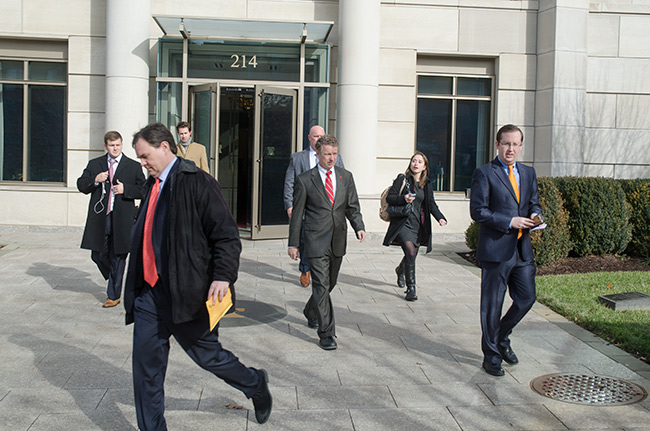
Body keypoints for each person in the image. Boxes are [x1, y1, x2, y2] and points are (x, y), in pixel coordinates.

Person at [124, 123, 271, 430]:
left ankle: (255, 382)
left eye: (145, 156)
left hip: (186, 294)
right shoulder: (151, 185)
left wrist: (222, 277)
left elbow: (227, 236)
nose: (142, 162)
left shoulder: (198, 182)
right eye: (139, 158)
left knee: (209, 357)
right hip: (149, 296)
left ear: (165, 147)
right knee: (146, 371)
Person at [470, 124, 542, 377]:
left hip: (522, 250)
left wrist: (536, 214)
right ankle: (491, 356)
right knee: (492, 305)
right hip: (496, 250)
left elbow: (533, 201)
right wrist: (510, 221)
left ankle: (501, 337)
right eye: (506, 143)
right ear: (497, 144)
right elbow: (478, 211)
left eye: (515, 144)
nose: (510, 149)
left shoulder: (528, 173)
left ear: (521, 146)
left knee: (526, 299)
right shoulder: (485, 173)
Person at [287, 134, 366, 351]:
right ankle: (326, 333)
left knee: (330, 284)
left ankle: (310, 309)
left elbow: (352, 206)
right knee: (321, 285)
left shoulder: (345, 177)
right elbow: (297, 214)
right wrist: (293, 244)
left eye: (334, 154)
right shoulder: (305, 179)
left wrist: (359, 226)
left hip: (338, 238)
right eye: (327, 154)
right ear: (318, 154)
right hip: (314, 240)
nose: (331, 158)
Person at [77, 131, 145, 308]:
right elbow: (81, 185)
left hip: (123, 219)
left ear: (122, 145)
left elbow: (144, 190)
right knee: (97, 254)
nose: (115, 148)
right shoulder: (95, 164)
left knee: (118, 257)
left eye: (118, 145)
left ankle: (113, 295)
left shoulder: (133, 166)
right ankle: (114, 276)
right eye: (112, 145)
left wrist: (126, 189)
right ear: (105, 146)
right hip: (101, 217)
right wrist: (95, 180)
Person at [283, 125, 344, 287]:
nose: (319, 139)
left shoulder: (335, 157)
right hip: (305, 208)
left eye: (322, 136)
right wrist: (290, 205)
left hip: (326, 209)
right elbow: (290, 183)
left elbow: (342, 183)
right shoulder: (298, 158)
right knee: (304, 240)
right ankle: (305, 269)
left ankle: (321, 270)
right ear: (309, 137)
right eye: (316, 136)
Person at [382, 152, 447, 301]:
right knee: (410, 253)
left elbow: (431, 204)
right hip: (403, 223)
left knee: (411, 255)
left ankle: (400, 270)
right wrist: (403, 198)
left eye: (419, 162)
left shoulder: (427, 184)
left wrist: (440, 217)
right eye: (413, 161)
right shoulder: (402, 180)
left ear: (425, 167)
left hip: (419, 225)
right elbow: (391, 197)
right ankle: (411, 288)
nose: (416, 164)